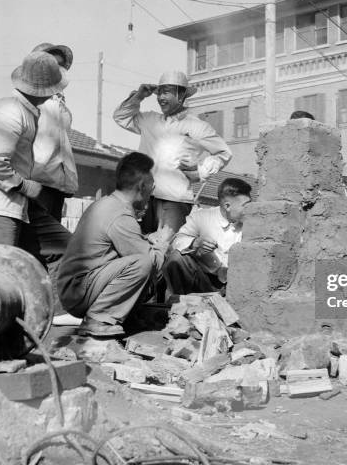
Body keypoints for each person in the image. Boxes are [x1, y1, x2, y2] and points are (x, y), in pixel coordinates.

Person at [0, 51, 71, 268]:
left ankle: (45, 301)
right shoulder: (10, 110)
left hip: (17, 204)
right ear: (46, 89)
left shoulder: (27, 111)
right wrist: (26, 186)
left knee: (66, 247)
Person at [56, 152, 173, 337]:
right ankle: (99, 320)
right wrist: (164, 243)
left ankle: (122, 316)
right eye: (153, 185)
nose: (153, 191)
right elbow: (152, 263)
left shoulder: (106, 204)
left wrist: (147, 239)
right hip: (79, 291)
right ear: (142, 186)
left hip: (76, 287)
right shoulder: (120, 215)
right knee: (143, 263)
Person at [113, 70, 232, 235]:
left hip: (174, 200)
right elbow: (120, 117)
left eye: (166, 92)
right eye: (159, 92)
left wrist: (200, 171)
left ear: (181, 94)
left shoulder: (197, 126)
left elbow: (223, 153)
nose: (161, 97)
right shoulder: (149, 120)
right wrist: (139, 96)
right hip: (144, 197)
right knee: (142, 246)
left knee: (167, 248)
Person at [162, 178, 252, 297]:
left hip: (235, 286)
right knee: (177, 258)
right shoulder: (202, 217)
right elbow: (177, 241)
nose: (250, 210)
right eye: (245, 206)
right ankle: (179, 304)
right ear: (227, 206)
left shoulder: (252, 225)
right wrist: (195, 243)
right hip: (203, 282)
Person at [29, 42, 78, 222]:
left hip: (55, 189)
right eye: (51, 64)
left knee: (50, 246)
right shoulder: (29, 101)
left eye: (60, 66)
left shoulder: (59, 104)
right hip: (35, 185)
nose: (57, 70)